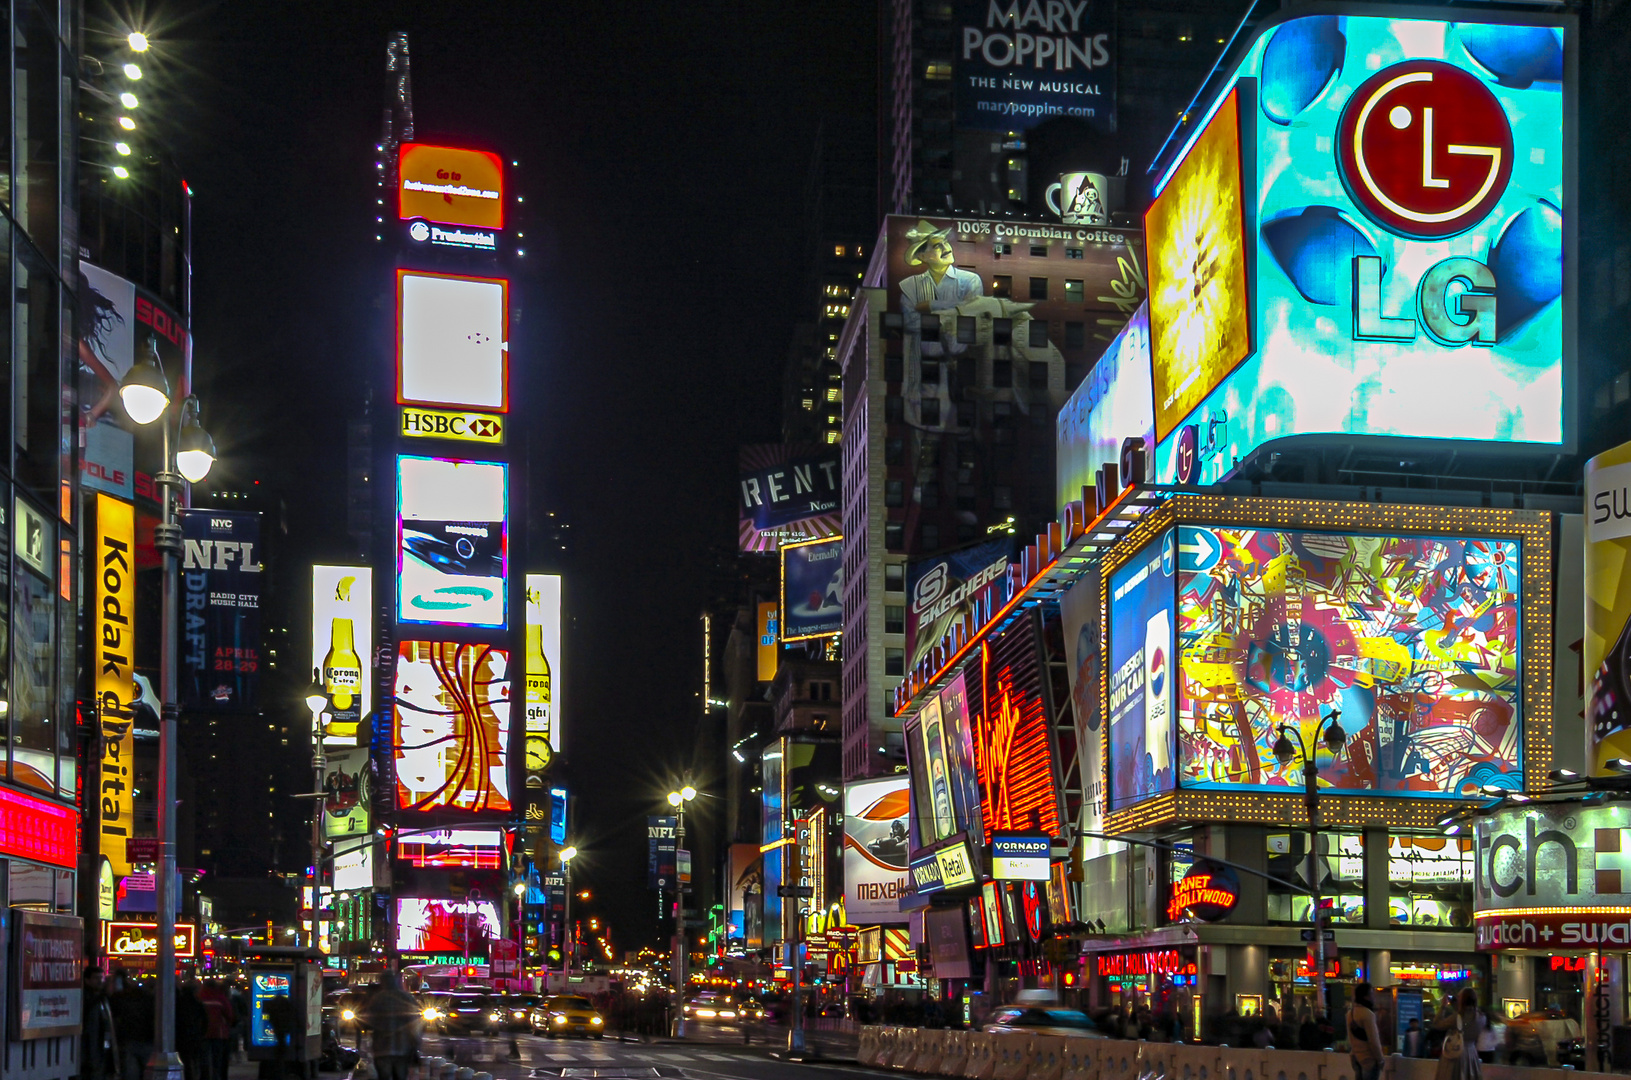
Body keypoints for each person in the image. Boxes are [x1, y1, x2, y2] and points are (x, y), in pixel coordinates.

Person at [361, 971, 422, 1080]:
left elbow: (368, 1021)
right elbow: (415, 1023)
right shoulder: (406, 998)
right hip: (402, 1048)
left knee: (383, 1076)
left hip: (382, 1048)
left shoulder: (378, 999)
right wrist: (416, 1043)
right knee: (400, 1076)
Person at [1432, 988, 1483, 1080]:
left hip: (1457, 1055)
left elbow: (1437, 1024)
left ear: (1462, 1000)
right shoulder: (1481, 1017)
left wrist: (1443, 1006)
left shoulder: (1455, 1018)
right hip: (1472, 1054)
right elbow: (1466, 1017)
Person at [82, 967, 118, 1080]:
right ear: (87, 980)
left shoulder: (103, 998)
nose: (100, 981)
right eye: (96, 978)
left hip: (101, 1047)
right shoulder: (87, 998)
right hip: (89, 1049)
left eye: (101, 978)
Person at [1347, 983, 1387, 1080]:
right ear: (1366, 996)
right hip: (1369, 1060)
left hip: (1356, 1058)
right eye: (1372, 994)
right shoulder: (1368, 1014)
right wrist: (1380, 1059)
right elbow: (1373, 1040)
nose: (1374, 997)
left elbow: (1351, 1038)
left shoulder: (1350, 1014)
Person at [198, 979, 235, 1080]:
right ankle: (216, 1076)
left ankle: (205, 1076)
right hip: (219, 1033)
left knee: (204, 1058)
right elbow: (229, 1015)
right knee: (217, 1059)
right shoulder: (220, 998)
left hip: (202, 1033)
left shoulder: (200, 997)